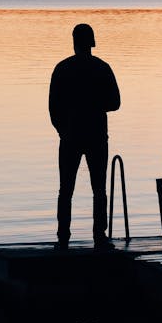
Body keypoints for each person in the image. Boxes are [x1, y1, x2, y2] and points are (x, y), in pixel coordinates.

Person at [48, 23, 121, 250]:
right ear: (92, 42)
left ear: (74, 42)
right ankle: (99, 236)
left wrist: (63, 129)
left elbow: (53, 107)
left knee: (65, 189)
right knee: (99, 188)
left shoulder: (62, 68)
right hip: (96, 135)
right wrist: (95, 105)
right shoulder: (102, 68)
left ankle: (63, 237)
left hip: (70, 136)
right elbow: (115, 103)